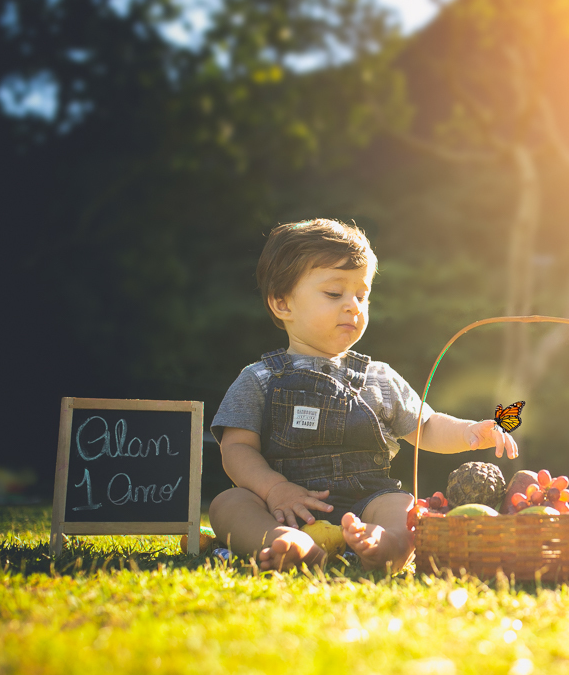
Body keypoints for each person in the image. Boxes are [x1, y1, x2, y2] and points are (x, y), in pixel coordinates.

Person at [208, 219, 518, 573]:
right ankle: (287, 542)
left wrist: (468, 432)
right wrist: (275, 489)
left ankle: (384, 545)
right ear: (282, 303)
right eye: (334, 294)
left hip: (366, 501)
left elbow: (426, 426)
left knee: (402, 504)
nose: (353, 306)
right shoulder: (259, 378)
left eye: (362, 294)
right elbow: (236, 448)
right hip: (282, 505)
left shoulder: (379, 378)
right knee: (228, 503)